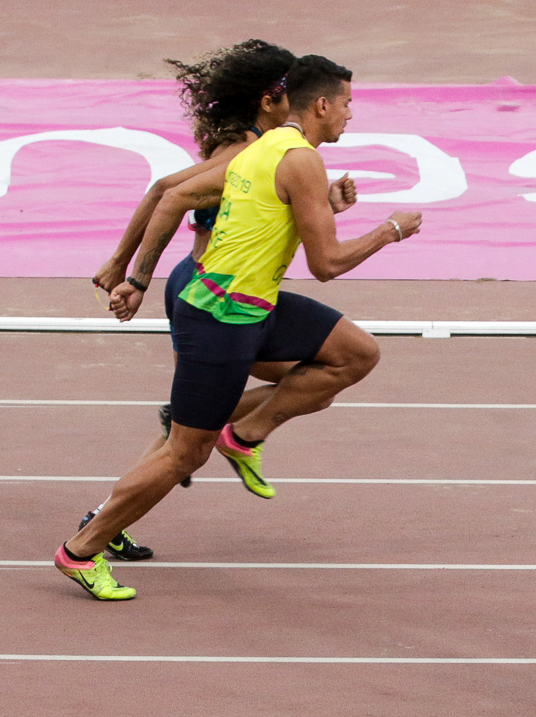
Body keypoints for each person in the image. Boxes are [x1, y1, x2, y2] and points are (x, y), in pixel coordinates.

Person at [54, 55, 419, 600]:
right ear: (321, 104)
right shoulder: (295, 158)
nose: (350, 114)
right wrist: (389, 231)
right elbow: (327, 266)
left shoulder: (271, 147)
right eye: (346, 104)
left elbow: (264, 214)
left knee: (354, 354)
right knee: (183, 451)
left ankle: (243, 433)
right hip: (220, 315)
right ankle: (81, 550)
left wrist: (326, 206)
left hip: (252, 304)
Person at [86, 39, 326, 550]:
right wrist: (126, 269)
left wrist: (325, 203)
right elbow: (164, 193)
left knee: (287, 389)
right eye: (293, 92)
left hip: (214, 291)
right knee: (310, 377)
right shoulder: (246, 149)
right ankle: (222, 433)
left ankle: (109, 515)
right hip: (208, 293)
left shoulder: (268, 149)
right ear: (268, 100)